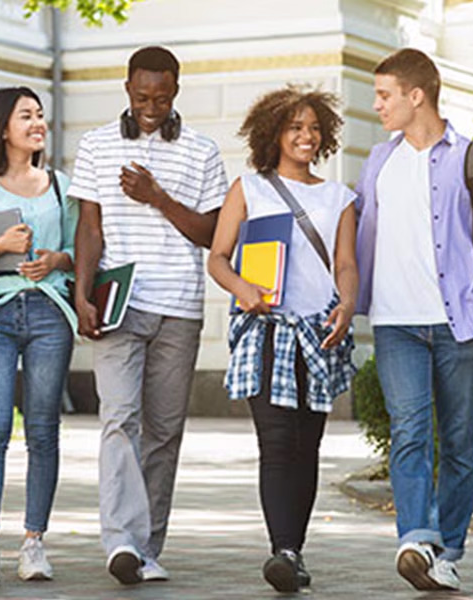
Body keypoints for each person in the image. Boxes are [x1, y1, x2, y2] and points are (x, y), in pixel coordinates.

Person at [354, 48, 473, 591]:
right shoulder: (378, 162)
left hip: (462, 322)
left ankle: (449, 551)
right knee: (410, 432)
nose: (378, 105)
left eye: (385, 95)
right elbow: (354, 225)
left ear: (417, 96)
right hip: (396, 324)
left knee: (460, 442)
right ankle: (416, 539)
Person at [69, 46, 229, 584]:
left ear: (176, 90)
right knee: (119, 419)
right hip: (120, 303)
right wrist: (82, 293)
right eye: (141, 97)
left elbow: (212, 235)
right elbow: (89, 227)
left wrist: (158, 197)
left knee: (164, 432)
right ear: (127, 89)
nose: (151, 107)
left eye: (161, 98)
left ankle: (147, 546)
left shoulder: (203, 152)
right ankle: (119, 541)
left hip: (179, 307)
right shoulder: (95, 145)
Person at [207, 86, 357, 593]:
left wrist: (348, 304)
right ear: (273, 133)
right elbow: (218, 257)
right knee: (276, 443)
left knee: (307, 444)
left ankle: (295, 550)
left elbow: (346, 264)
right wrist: (242, 288)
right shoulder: (249, 189)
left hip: (318, 330)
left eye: (314, 128)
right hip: (266, 332)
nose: (307, 137)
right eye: (296, 127)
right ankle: (283, 551)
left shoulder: (339, 197)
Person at [0, 87, 76, 583]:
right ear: (1, 127)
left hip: (50, 312)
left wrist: (54, 260)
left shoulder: (60, 186)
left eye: (40, 116)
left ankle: (34, 543)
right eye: (25, 115)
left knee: (43, 430)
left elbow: (78, 252)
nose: (37, 123)